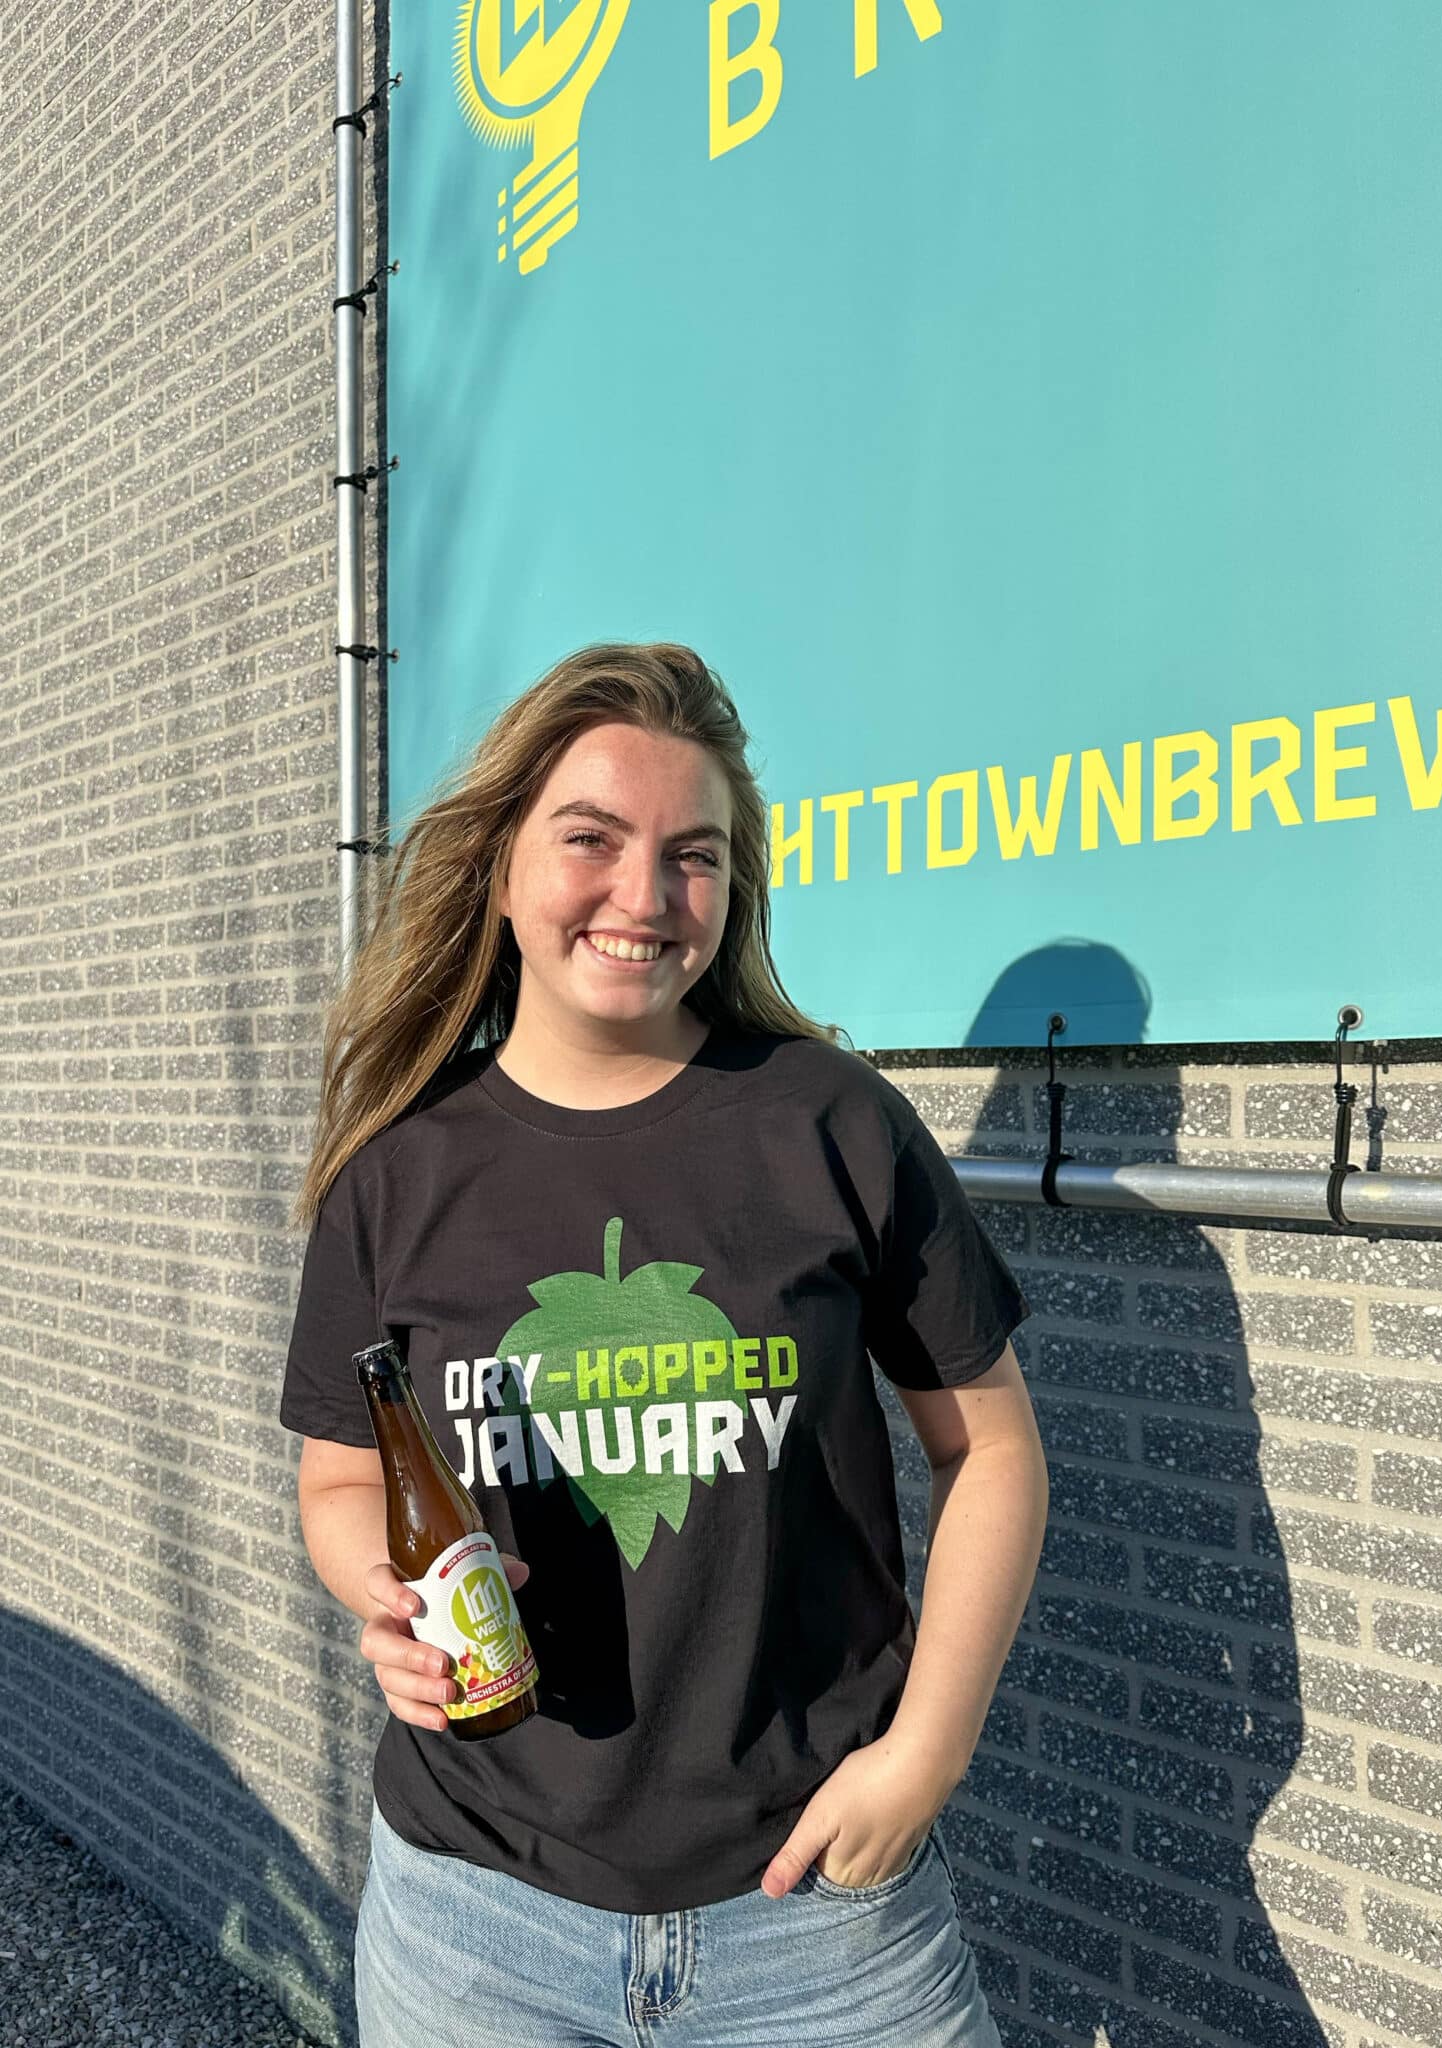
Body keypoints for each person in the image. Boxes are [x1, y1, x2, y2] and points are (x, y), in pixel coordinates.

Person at [280, 642, 1050, 2047]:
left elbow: (993, 1450)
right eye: (593, 838)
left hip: (817, 1912)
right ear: (500, 864)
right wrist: (381, 1598)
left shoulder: (832, 1125)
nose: (644, 896)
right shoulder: (396, 1176)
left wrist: (928, 1756)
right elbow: (339, 1481)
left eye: (694, 855)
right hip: (477, 1922)